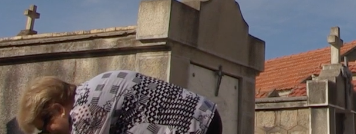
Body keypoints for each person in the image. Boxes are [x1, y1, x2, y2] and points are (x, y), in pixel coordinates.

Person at [17, 70, 222, 134]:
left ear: (58, 109)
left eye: (45, 127)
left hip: (194, 127)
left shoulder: (85, 111)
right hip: (204, 115)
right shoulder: (91, 89)